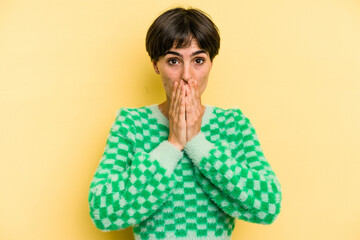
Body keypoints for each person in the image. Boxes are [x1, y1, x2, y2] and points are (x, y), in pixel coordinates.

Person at [88, 7, 282, 240]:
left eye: (198, 60)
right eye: (173, 61)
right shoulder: (131, 125)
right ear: (155, 65)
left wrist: (197, 143)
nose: (187, 75)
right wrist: (172, 144)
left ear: (211, 63)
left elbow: (268, 206)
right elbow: (102, 212)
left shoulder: (233, 125)